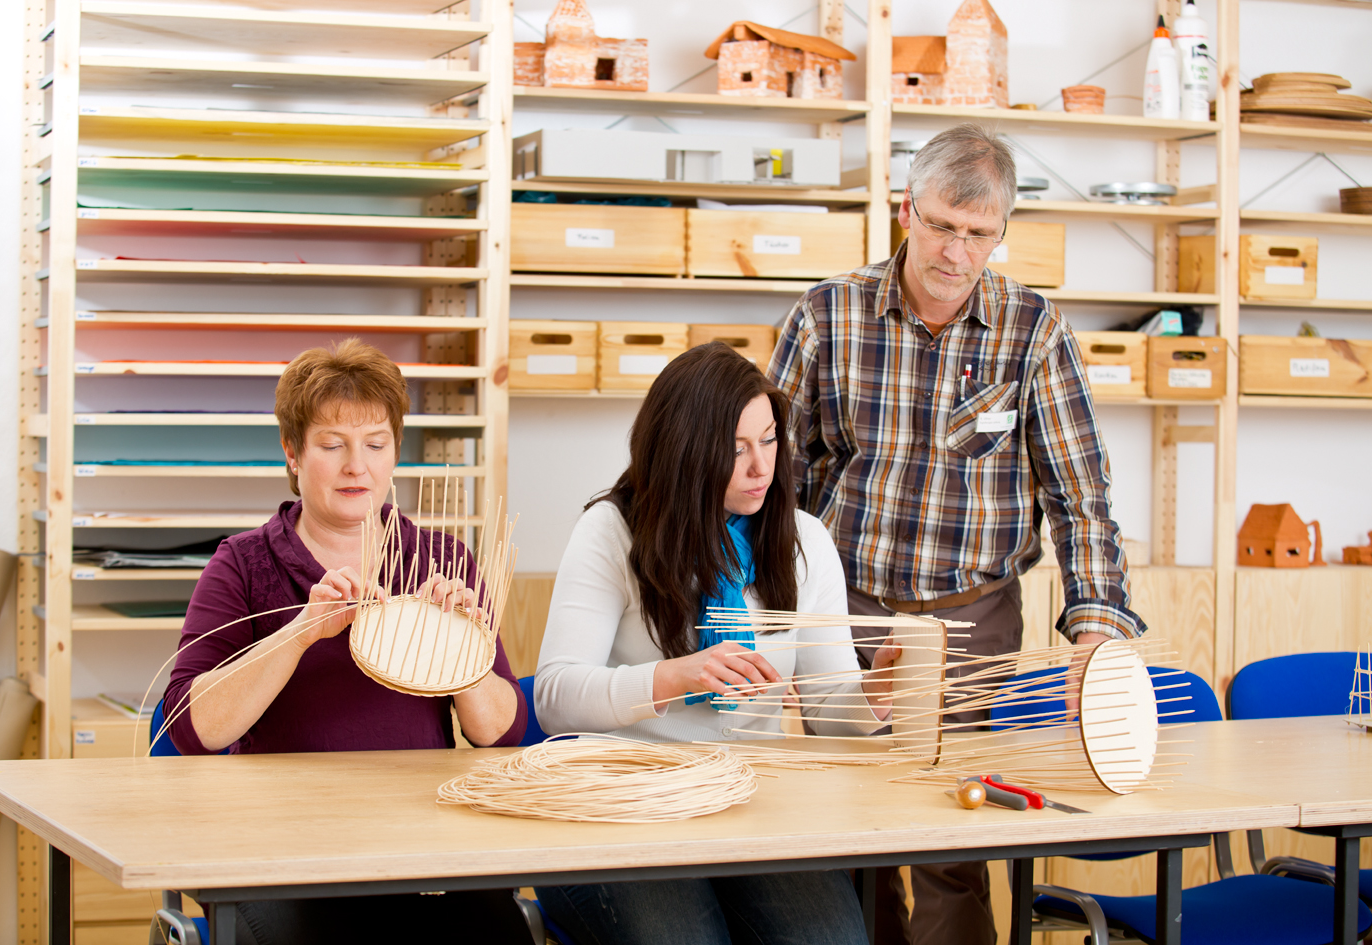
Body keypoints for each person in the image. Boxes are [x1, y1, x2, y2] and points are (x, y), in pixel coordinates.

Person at [767, 123, 1147, 945]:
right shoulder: (826, 315)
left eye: (977, 234)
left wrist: (1095, 633)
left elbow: (1080, 496)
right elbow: (768, 477)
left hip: (972, 616)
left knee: (956, 830)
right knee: (853, 827)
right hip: (847, 612)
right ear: (907, 210)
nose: (954, 251)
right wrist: (757, 602)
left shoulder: (1032, 330)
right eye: (940, 224)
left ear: (1001, 233)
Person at [162, 338, 532, 945]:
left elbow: (502, 731)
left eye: (376, 445)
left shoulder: (441, 559)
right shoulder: (243, 564)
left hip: (425, 840)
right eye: (333, 446)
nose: (356, 466)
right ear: (293, 452)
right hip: (285, 849)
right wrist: (301, 633)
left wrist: (462, 651)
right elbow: (192, 729)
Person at [533, 342, 895, 945]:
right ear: (684, 451)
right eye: (735, 449)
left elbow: (829, 711)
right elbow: (555, 696)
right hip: (623, 806)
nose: (761, 467)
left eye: (770, 440)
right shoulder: (612, 531)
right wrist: (675, 676)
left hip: (752, 804)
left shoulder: (804, 541)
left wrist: (875, 694)